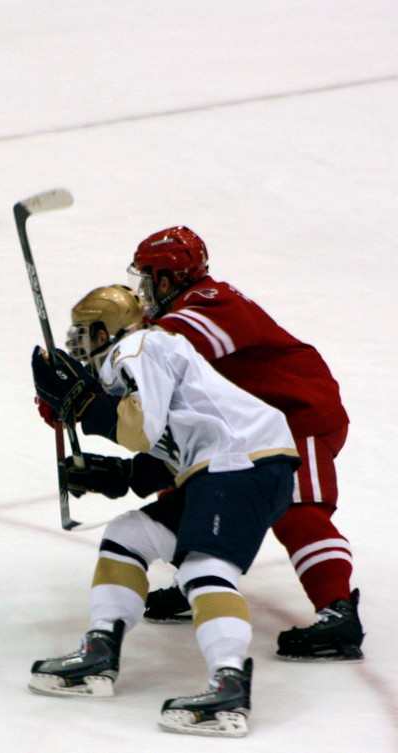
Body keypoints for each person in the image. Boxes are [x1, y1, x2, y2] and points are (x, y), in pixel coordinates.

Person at [29, 285, 299, 737]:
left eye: (83, 335)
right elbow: (174, 441)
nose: (79, 346)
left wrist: (86, 407)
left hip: (241, 464)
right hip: (231, 467)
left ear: (105, 331)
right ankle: (100, 651)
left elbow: (141, 425)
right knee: (128, 536)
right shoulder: (143, 359)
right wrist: (118, 476)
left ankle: (229, 685)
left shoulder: (139, 346)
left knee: (202, 567)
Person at [114, 226, 362, 663]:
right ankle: (195, 582)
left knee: (300, 512)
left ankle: (338, 613)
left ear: (167, 280)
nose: (144, 289)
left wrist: (101, 356)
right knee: (190, 480)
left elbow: (165, 347)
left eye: (148, 277)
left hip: (295, 414)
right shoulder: (169, 319)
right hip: (246, 429)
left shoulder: (212, 301)